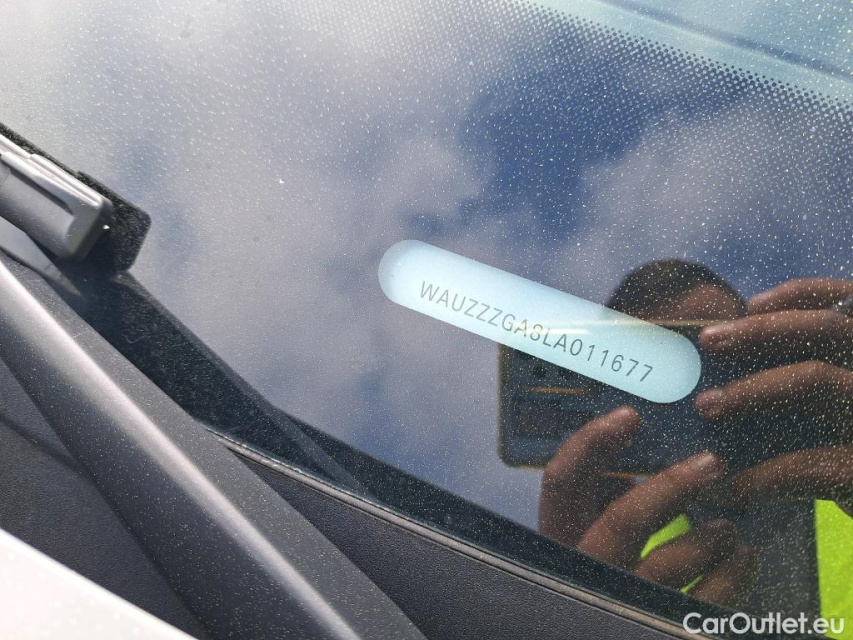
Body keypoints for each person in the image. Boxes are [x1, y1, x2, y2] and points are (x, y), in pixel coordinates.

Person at [539, 262, 853, 614]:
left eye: (722, 366)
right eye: (655, 390)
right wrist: (573, 615)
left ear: (766, 359)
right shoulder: (614, 548)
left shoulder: (843, 481)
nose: (701, 403)